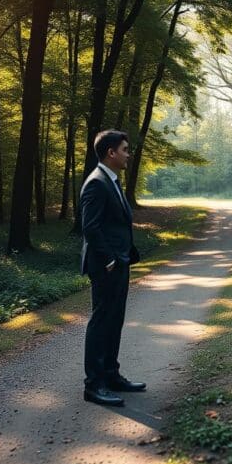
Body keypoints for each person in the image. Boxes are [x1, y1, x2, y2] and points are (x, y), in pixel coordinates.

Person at [80, 129, 145, 406]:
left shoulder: (112, 180)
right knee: (101, 321)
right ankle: (94, 385)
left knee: (115, 319)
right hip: (105, 265)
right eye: (125, 150)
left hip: (119, 262)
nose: (128, 154)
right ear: (111, 152)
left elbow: (115, 223)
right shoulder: (96, 183)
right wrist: (109, 260)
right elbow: (90, 227)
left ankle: (111, 375)